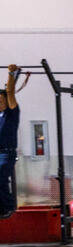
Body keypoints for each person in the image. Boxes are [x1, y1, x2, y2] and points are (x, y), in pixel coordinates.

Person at [0, 64, 20, 219]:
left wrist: (11, 74)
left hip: (7, 154)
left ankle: (8, 206)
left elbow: (10, 92)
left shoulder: (11, 113)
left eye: (1, 100)